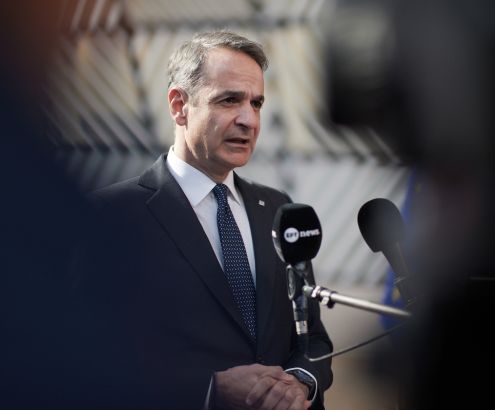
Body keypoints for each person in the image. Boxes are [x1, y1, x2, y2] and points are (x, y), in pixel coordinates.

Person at [74, 30, 332, 409]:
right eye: (229, 100)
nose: (249, 120)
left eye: (257, 103)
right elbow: (87, 358)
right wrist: (210, 389)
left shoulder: (279, 209)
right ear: (179, 105)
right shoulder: (109, 217)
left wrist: (300, 382)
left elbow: (312, 338)